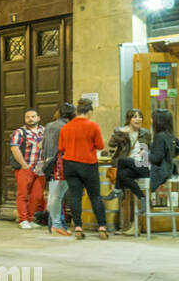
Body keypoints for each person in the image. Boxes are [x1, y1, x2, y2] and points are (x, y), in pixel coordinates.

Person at [58, 98, 107, 239]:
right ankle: (102, 227)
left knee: (75, 196)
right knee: (95, 197)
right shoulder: (93, 126)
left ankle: (78, 227)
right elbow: (100, 145)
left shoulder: (65, 127)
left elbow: (61, 148)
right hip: (88, 164)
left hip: (70, 164)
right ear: (89, 111)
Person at [105, 109, 153, 229]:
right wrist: (120, 133)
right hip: (128, 167)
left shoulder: (145, 133)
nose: (138, 119)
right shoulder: (121, 131)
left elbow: (149, 149)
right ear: (129, 119)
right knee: (124, 174)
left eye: (140, 117)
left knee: (122, 161)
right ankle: (143, 198)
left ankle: (117, 190)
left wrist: (145, 154)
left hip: (141, 164)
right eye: (135, 117)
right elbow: (111, 144)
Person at [38, 102, 75, 235]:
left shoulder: (49, 126)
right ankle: (57, 225)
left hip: (49, 162)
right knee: (57, 196)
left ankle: (54, 225)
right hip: (59, 163)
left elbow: (44, 145)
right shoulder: (67, 126)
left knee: (54, 194)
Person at [9, 107, 45, 230]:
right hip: (25, 167)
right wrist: (23, 164)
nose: (30, 119)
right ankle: (23, 219)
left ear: (38, 118)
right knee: (23, 194)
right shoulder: (19, 132)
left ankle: (30, 218)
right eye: (27, 117)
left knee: (37, 196)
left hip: (40, 168)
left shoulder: (44, 131)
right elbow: (14, 148)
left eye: (33, 116)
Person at [147, 109, 179, 208]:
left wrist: (144, 153)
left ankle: (143, 203)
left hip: (161, 173)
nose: (151, 121)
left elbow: (156, 159)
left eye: (153, 119)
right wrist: (169, 156)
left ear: (158, 121)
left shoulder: (159, 137)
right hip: (169, 170)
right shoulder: (169, 135)